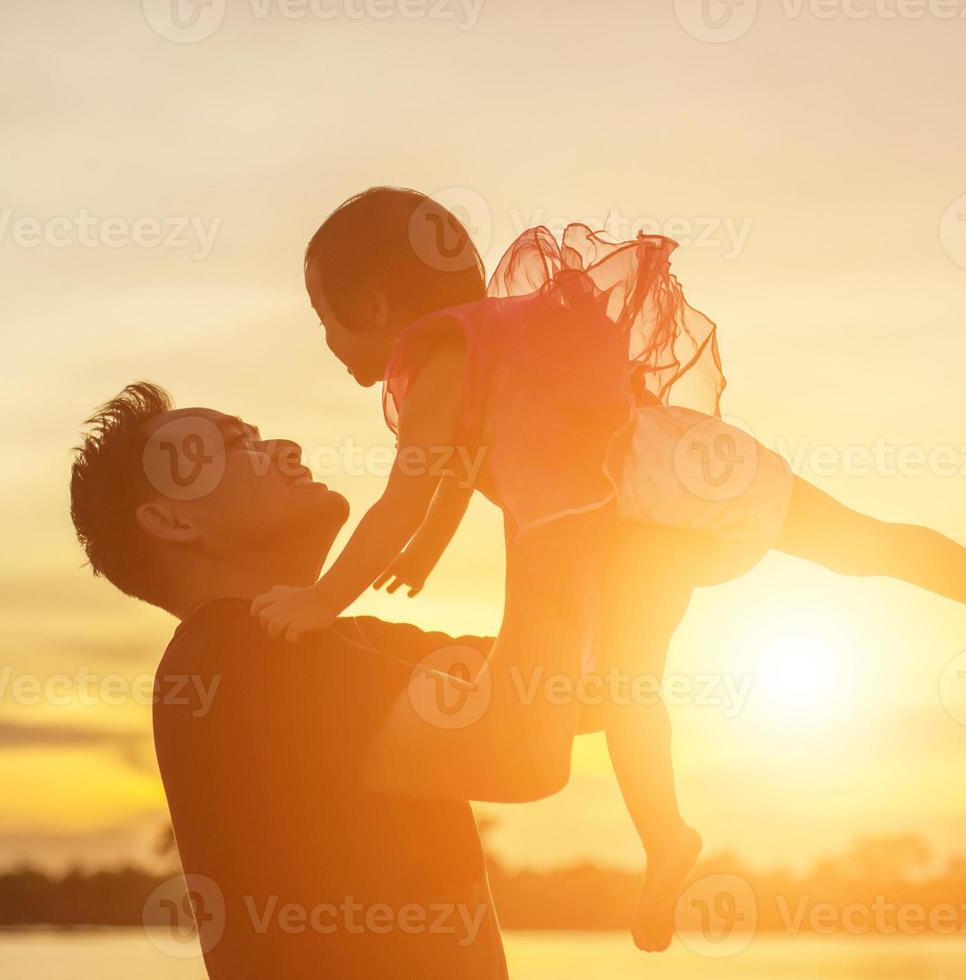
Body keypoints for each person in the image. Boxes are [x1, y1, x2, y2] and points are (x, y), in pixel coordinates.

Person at [251, 187, 966, 950]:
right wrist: (429, 549)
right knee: (855, 549)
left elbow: (406, 494)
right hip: (686, 474)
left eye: (324, 316)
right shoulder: (488, 341)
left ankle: (665, 838)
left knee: (629, 679)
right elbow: (447, 482)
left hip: (632, 513)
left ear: (371, 304)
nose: (326, 337)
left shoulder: (436, 359)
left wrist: (325, 597)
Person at [68, 382, 609, 978]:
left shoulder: (347, 645)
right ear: (171, 520)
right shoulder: (236, 657)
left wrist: (607, 484)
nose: (287, 447)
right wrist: (548, 496)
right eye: (234, 444)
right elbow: (524, 750)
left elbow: (599, 685)